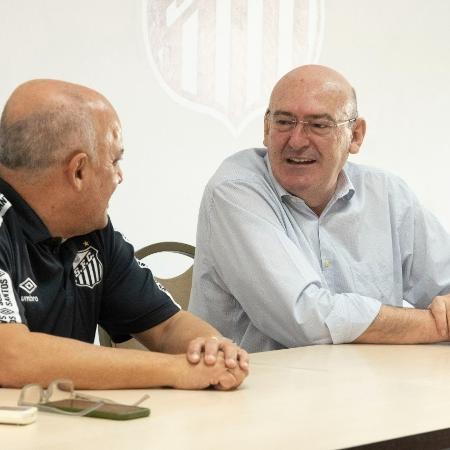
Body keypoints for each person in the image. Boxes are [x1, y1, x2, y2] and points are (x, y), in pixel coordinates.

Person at [0, 79, 249, 390]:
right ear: (78, 171)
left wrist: (212, 349)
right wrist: (174, 371)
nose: (120, 176)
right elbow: (10, 357)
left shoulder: (91, 232)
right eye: (115, 160)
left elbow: (167, 326)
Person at [189, 64, 450, 352]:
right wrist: (435, 325)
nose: (297, 140)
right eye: (285, 122)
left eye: (318, 125)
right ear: (266, 128)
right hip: (255, 390)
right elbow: (306, 319)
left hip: (371, 386)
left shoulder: (388, 194)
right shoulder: (235, 189)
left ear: (356, 135)